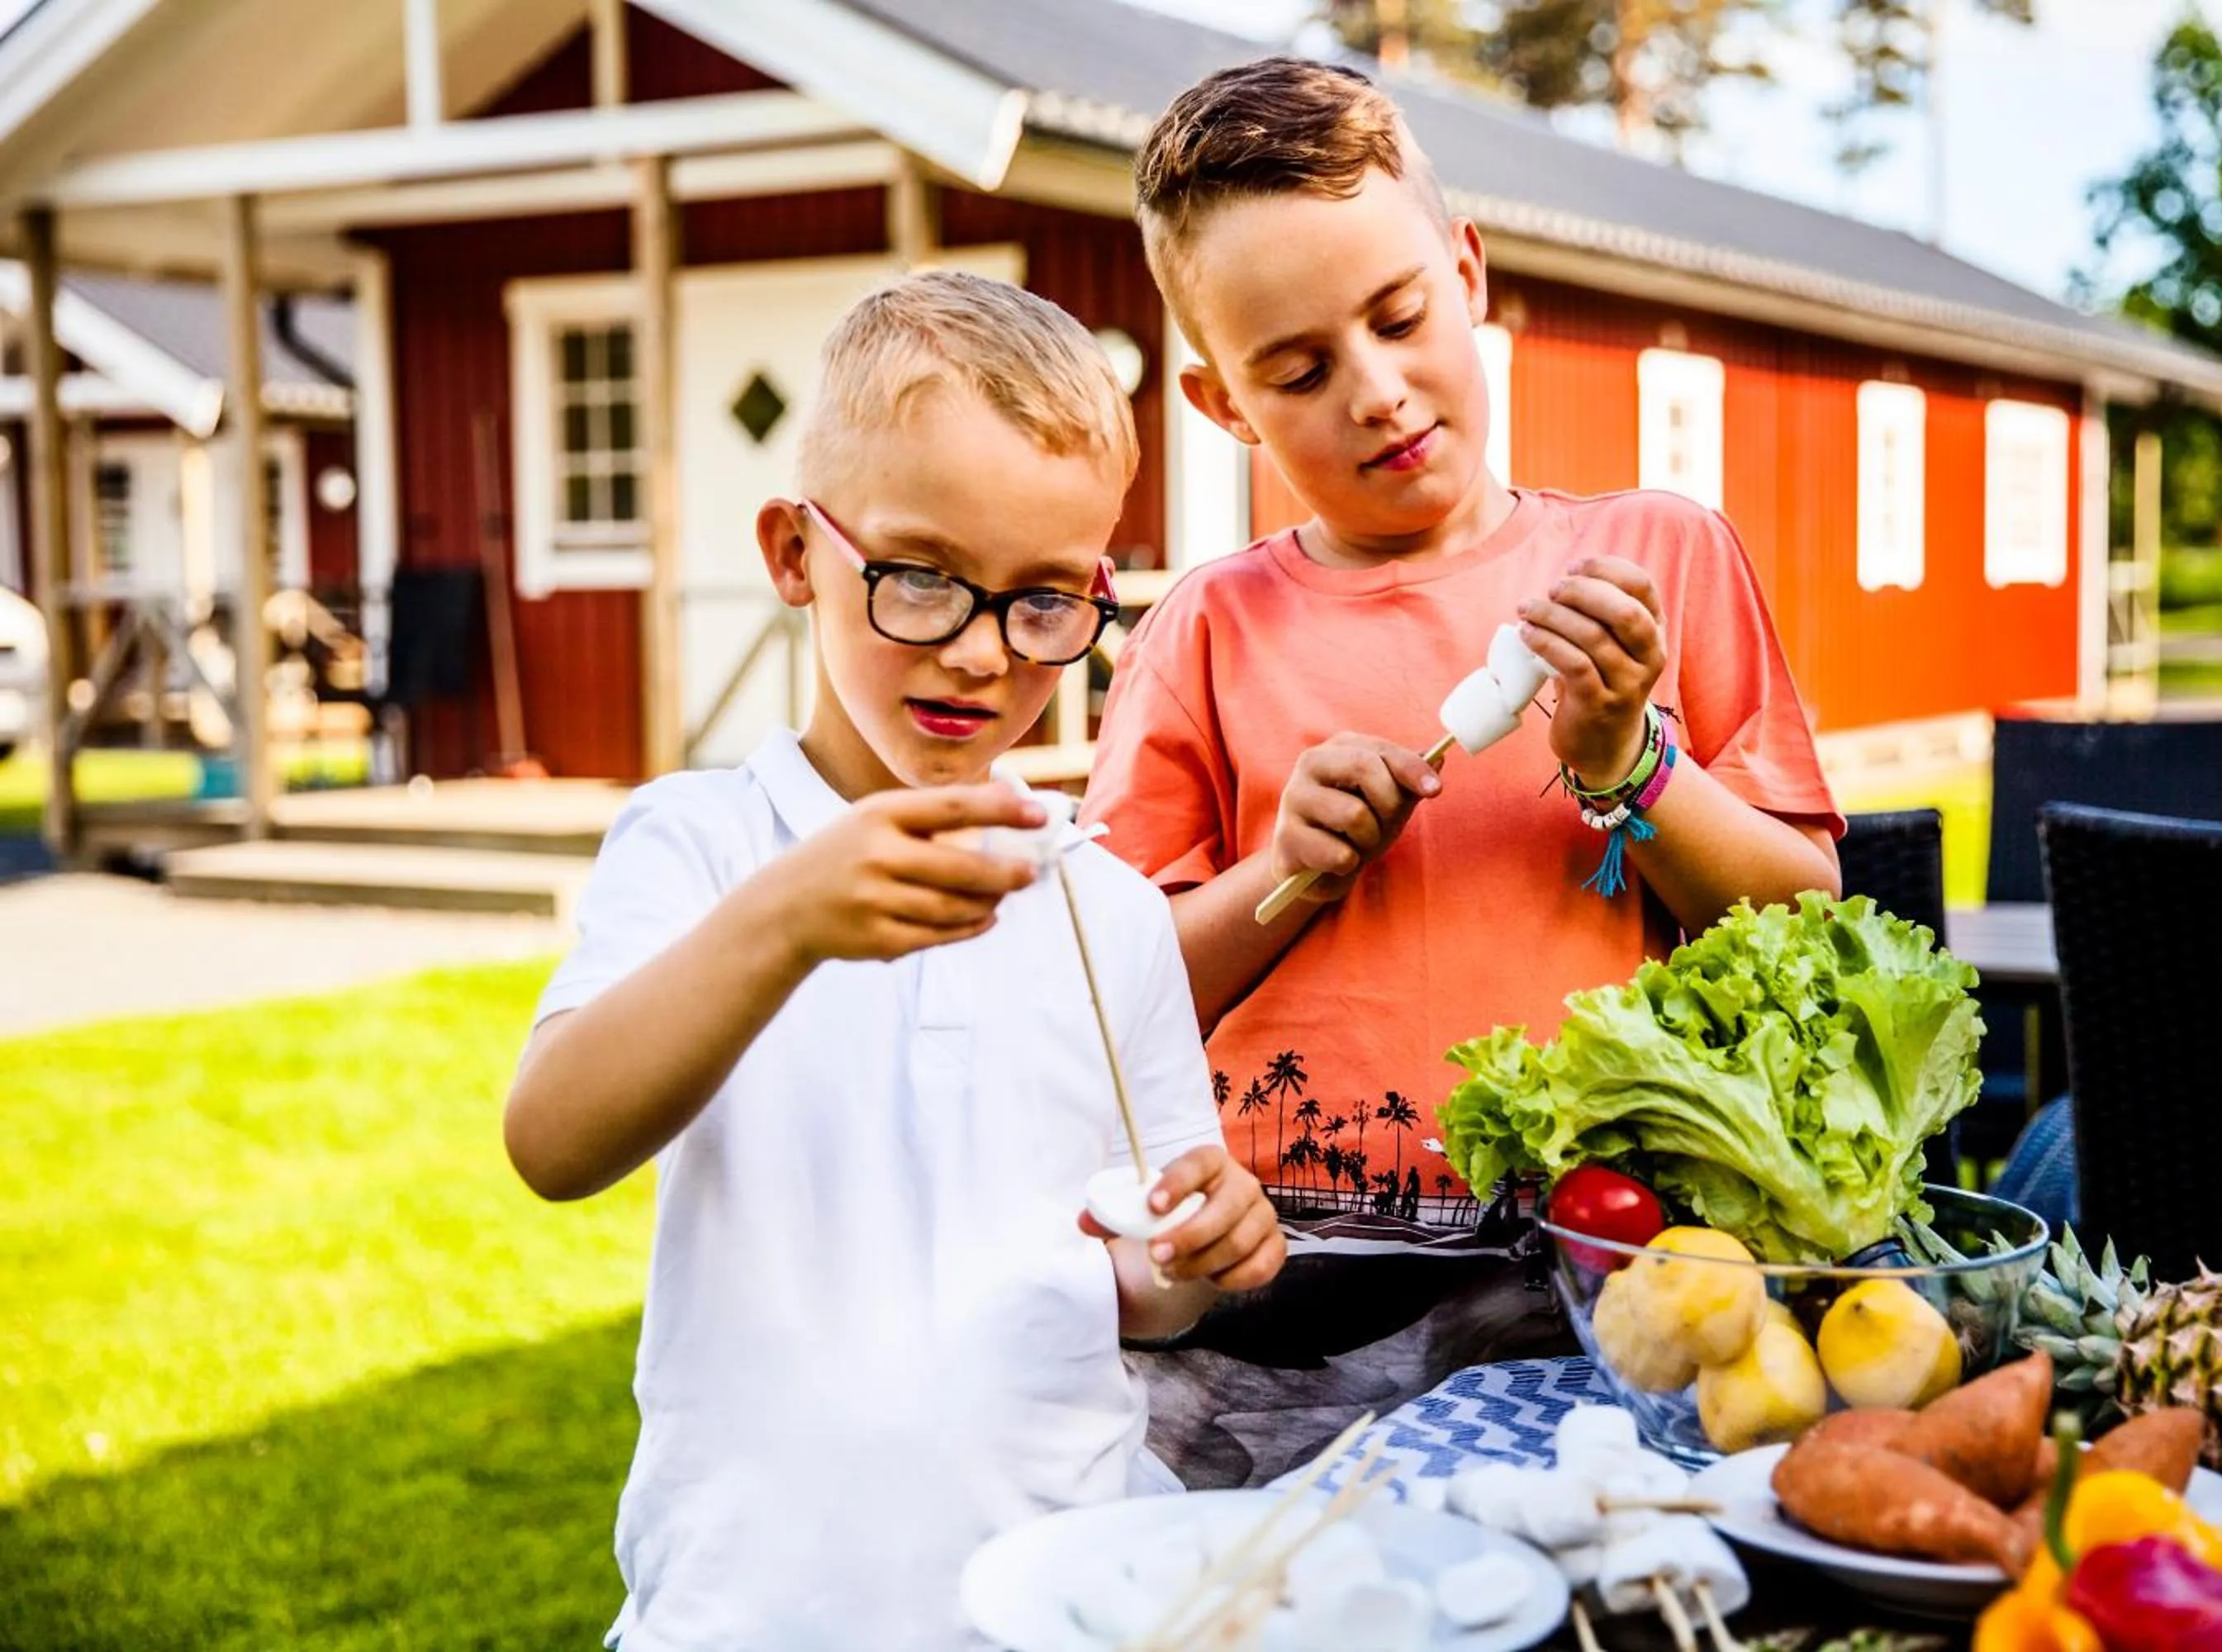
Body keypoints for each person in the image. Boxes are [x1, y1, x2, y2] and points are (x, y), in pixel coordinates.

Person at [1078, 56, 1845, 1489]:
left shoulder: (1656, 562)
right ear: (1221, 400)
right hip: (1276, 1312)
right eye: (1299, 371)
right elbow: (1107, 1006)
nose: (1376, 391)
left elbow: (1809, 925)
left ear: (1469, 271)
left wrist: (1630, 764)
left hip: (1611, 1283)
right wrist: (1284, 875)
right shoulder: (1205, 629)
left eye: (1400, 317)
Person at [502, 270, 1284, 1650]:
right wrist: (788, 917)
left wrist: (1200, 1247)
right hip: (751, 1609)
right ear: (797, 553)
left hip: (1067, 1596)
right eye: (922, 577)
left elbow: (1146, 1295)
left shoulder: (1106, 910)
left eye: (1046, 602)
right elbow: (553, 1141)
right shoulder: (703, 847)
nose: (984, 654)